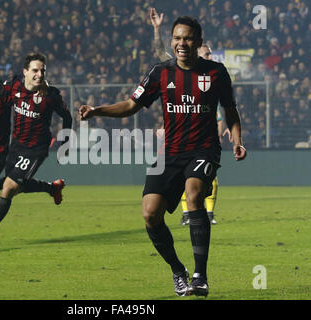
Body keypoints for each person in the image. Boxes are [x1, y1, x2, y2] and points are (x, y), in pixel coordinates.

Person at [80, 16, 246, 297]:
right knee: (150, 214)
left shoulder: (216, 72)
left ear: (199, 42)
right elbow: (132, 105)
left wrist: (237, 138)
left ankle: (200, 275)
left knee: (194, 195)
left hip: (203, 149)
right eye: (178, 38)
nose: (182, 44)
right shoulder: (160, 72)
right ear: (172, 41)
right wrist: (98, 111)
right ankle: (178, 271)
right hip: (169, 152)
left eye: (189, 38)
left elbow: (230, 110)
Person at [0, 53, 72, 249]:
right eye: (35, 70)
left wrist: (64, 144)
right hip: (15, 145)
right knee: (17, 184)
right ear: (25, 72)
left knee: (9, 188)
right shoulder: (13, 86)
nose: (39, 74)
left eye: (42, 71)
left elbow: (67, 117)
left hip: (35, 149)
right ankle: (52, 188)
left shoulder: (50, 95)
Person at [149, 8, 232, 226]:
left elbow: (223, 111)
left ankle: (207, 213)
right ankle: (189, 213)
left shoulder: (214, 75)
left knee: (204, 179)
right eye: (207, 54)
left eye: (209, 54)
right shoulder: (174, 70)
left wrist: (225, 130)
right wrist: (157, 30)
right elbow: (160, 54)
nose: (208, 57)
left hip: (205, 141)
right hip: (179, 140)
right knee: (186, 181)